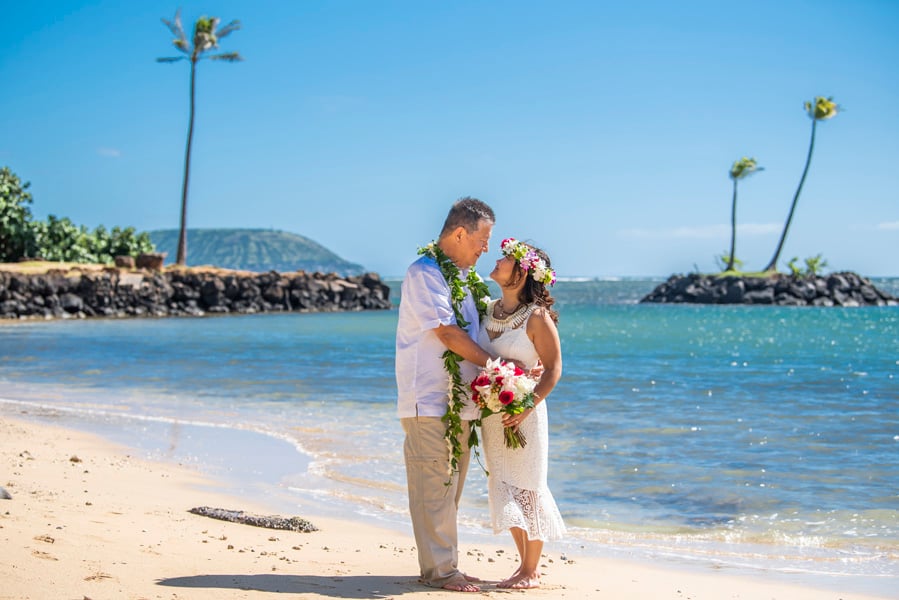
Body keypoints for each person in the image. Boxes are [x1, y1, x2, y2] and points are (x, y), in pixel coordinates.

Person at [395, 197, 497, 593]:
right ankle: (441, 571)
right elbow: (448, 334)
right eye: (483, 238)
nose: (486, 248)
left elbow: (477, 331)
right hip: (429, 400)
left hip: (458, 405)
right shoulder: (424, 273)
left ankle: (442, 565)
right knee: (433, 489)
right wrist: (496, 367)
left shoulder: (465, 281)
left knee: (448, 491)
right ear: (459, 233)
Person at [478, 238, 566, 589]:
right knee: (504, 485)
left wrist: (528, 404)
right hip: (494, 413)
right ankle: (523, 565)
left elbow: (554, 368)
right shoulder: (487, 309)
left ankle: (531, 570)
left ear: (522, 271)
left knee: (528, 486)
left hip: (526, 413)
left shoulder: (537, 317)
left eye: (505, 258)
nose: (497, 261)